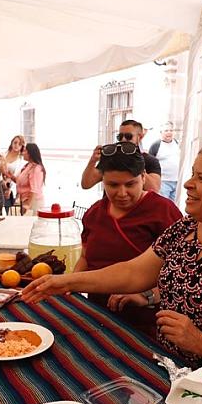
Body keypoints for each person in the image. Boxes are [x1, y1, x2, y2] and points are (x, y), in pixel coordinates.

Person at [24, 138, 202, 369]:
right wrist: (66, 282)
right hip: (171, 371)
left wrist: (200, 341)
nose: (188, 184)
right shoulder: (187, 230)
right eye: (193, 173)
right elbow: (134, 272)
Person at [75, 142, 182, 336]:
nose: (122, 193)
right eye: (113, 185)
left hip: (148, 323)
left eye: (130, 184)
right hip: (97, 316)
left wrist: (146, 296)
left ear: (143, 177)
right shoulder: (94, 213)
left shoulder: (164, 211)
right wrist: (71, 287)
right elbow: (84, 258)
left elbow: (183, 273)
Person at [81, 120, 162, 192]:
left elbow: (154, 189)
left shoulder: (150, 160)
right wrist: (93, 161)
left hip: (140, 208)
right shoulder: (111, 157)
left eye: (128, 136)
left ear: (139, 137)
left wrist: (136, 164)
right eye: (120, 137)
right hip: (111, 206)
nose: (123, 140)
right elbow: (86, 184)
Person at [8, 143, 46, 215]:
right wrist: (10, 176)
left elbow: (34, 189)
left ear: (30, 153)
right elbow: (20, 182)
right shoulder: (27, 165)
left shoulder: (36, 168)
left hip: (33, 203)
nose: (22, 153)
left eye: (25, 151)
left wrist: (27, 205)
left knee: (30, 224)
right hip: (24, 201)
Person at [148, 122, 181, 200]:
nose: (169, 132)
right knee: (163, 204)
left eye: (171, 130)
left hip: (176, 181)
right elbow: (149, 163)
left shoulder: (177, 143)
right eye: (166, 130)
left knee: (174, 206)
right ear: (161, 132)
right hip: (163, 182)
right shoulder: (156, 145)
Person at [3, 135, 26, 214]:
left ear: (22, 146)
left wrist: (9, 189)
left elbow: (18, 178)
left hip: (10, 190)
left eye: (19, 144)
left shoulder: (21, 160)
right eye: (15, 142)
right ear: (11, 143)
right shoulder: (3, 155)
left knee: (8, 212)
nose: (17, 145)